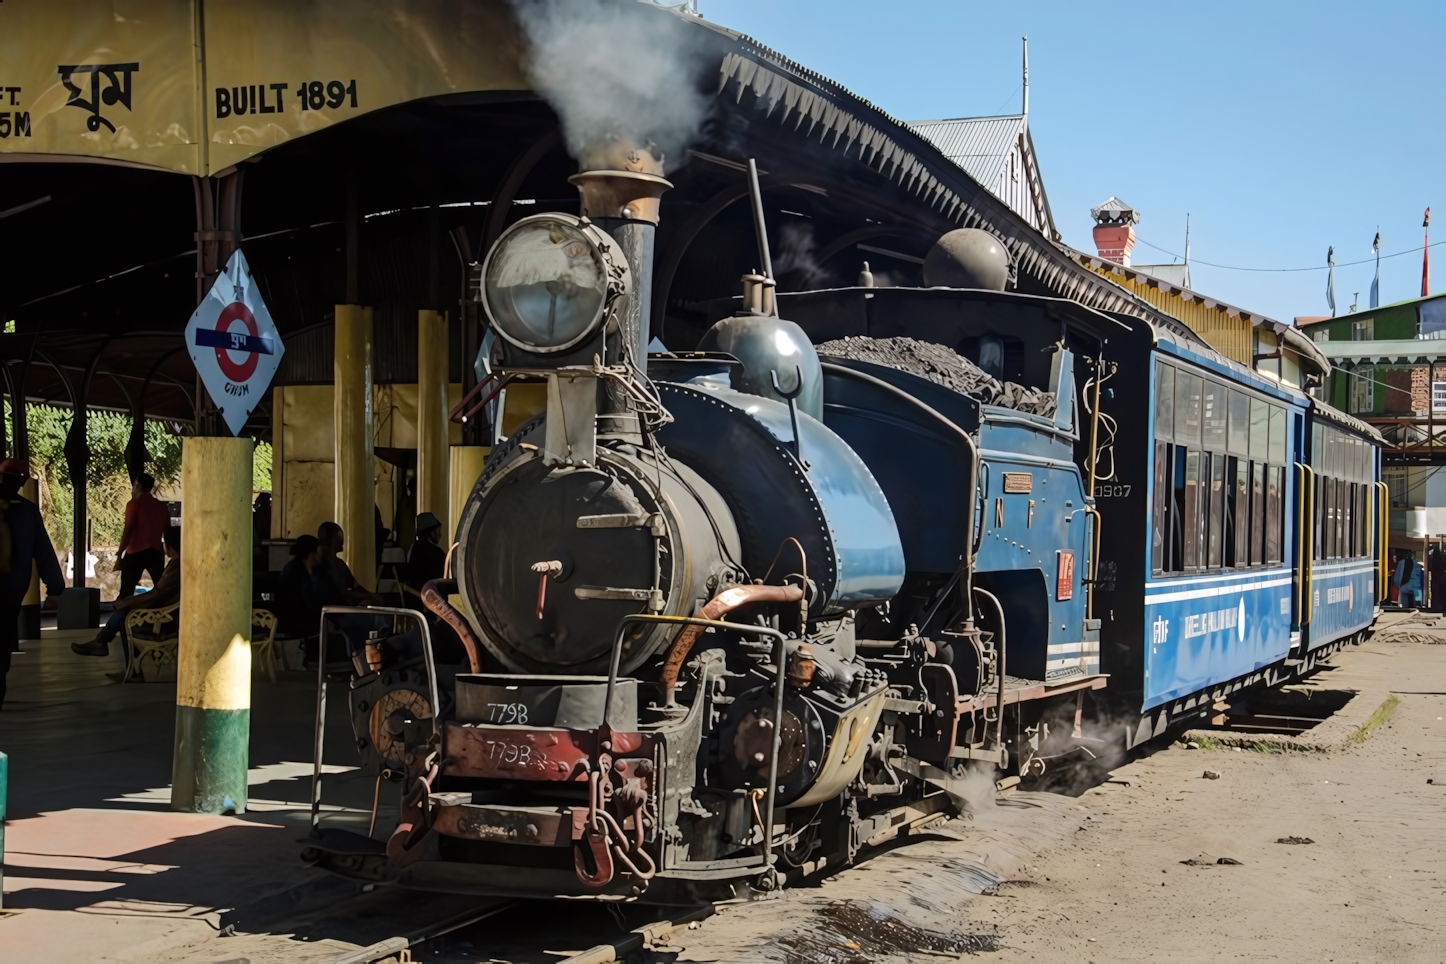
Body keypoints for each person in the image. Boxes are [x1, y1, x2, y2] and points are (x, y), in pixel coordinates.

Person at [0, 459, 66, 708]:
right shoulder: (27, 510)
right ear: (20, 482)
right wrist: (55, 589)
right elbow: (44, 552)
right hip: (14, 587)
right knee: (4, 634)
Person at [72, 524, 181, 663]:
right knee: (124, 612)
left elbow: (156, 594)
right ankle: (116, 655)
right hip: (167, 611)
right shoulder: (176, 564)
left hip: (165, 616)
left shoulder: (176, 567)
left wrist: (126, 602)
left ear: (170, 546)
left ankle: (103, 645)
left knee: (125, 612)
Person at [116, 473, 170, 600]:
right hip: (156, 551)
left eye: (134, 484)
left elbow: (128, 530)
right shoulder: (162, 506)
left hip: (135, 551)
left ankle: (122, 617)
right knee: (160, 588)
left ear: (138, 485)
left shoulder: (134, 504)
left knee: (126, 591)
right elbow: (167, 529)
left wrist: (120, 552)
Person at [317, 521, 382, 607]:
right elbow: (339, 593)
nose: (342, 539)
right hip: (337, 607)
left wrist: (369, 594)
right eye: (340, 536)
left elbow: (355, 585)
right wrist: (367, 595)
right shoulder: (322, 564)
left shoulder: (339, 563)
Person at [275, 534, 325, 637]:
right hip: (295, 624)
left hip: (307, 619)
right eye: (319, 552)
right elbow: (301, 604)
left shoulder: (316, 571)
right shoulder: (293, 572)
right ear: (312, 554)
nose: (321, 555)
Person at [406, 511, 446, 593]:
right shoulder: (437, 554)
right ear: (431, 532)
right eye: (437, 531)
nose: (440, 535)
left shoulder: (414, 548)